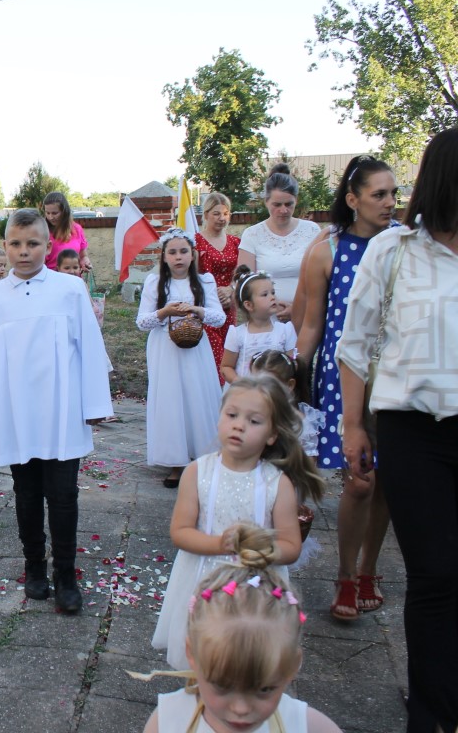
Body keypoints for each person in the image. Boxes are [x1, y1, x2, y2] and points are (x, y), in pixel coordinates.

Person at [337, 127, 458, 733]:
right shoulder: (396, 250)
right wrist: (352, 424)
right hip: (416, 431)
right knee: (436, 574)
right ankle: (431, 715)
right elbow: (355, 343)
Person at [0, 209, 113, 613]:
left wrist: (95, 404)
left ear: (48, 245)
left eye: (33, 244)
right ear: (5, 246)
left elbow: (90, 347)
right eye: (16, 244)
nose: (24, 252)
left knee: (63, 494)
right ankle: (35, 566)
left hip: (63, 411)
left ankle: (66, 573)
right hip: (17, 411)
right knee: (26, 492)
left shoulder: (69, 289)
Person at [152, 374, 323, 670]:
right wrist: (220, 544)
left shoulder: (277, 483)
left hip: (255, 591)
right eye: (231, 415)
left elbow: (290, 545)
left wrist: (262, 550)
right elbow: (180, 532)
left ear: (272, 434)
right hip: (204, 583)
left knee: (248, 661)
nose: (239, 425)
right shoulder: (197, 473)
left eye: (254, 421)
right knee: (203, 658)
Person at [294, 156, 398, 621]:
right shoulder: (327, 250)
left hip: (396, 377)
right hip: (344, 377)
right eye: (379, 194)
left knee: (387, 482)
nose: (390, 202)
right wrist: (295, 376)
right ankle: (344, 575)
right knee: (360, 481)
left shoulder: (404, 245)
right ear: (353, 200)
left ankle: (369, 569)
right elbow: (312, 324)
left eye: (393, 193)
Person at [139, 527, 343, 733]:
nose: (241, 709)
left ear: (293, 664)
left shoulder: (311, 727)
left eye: (264, 689)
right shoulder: (168, 722)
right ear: (191, 653)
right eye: (222, 686)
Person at [137, 229, 225, 488]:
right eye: (172, 252)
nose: (178, 257)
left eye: (183, 251)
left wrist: (196, 310)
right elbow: (142, 322)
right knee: (171, 399)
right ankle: (176, 462)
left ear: (192, 255)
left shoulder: (204, 281)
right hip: (165, 348)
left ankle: (202, 457)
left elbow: (219, 318)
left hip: (195, 348)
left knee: (197, 396)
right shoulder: (155, 283)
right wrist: (164, 312)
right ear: (164, 256)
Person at [237, 164, 321, 322]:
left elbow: (321, 278)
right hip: (266, 319)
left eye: (289, 204)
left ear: (296, 200)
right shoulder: (252, 234)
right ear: (266, 202)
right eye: (277, 205)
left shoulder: (312, 231)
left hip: (307, 317)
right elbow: (244, 282)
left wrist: (297, 309)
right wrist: (272, 305)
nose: (283, 210)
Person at [220, 267, 297, 383]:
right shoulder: (237, 334)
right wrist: (240, 382)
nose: (272, 297)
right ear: (249, 305)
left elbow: (292, 362)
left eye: (273, 292)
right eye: (265, 294)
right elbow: (226, 366)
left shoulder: (285, 330)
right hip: (247, 391)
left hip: (276, 390)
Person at [195, 192, 240, 380]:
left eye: (226, 213)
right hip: (206, 306)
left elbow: (242, 272)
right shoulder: (195, 242)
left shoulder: (236, 243)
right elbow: (192, 275)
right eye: (216, 213)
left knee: (229, 352)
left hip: (229, 305)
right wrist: (212, 294)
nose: (222, 218)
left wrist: (232, 290)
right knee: (212, 355)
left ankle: (227, 393)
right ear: (206, 214)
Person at [42, 191, 93, 272]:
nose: (50, 217)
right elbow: (38, 264)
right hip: (52, 277)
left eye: (55, 213)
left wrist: (85, 262)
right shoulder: (42, 231)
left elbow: (83, 256)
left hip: (74, 277)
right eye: (47, 213)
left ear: (64, 211)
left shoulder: (77, 229)